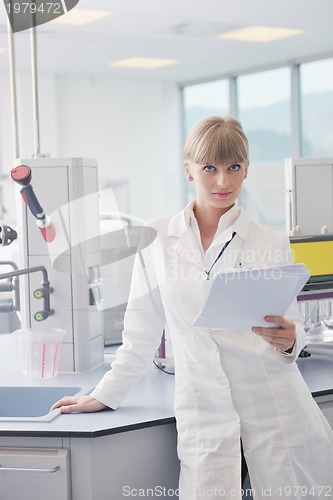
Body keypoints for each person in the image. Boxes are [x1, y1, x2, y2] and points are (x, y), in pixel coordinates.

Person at [52, 116, 333, 499]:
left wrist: (289, 340)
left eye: (234, 167)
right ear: (189, 170)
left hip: (276, 411)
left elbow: (292, 331)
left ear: (246, 169)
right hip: (204, 412)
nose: (223, 181)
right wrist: (105, 394)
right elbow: (141, 333)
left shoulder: (270, 241)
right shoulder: (157, 240)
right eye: (209, 168)